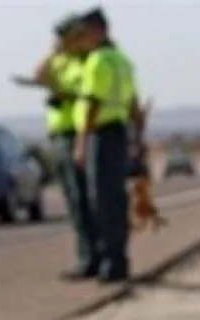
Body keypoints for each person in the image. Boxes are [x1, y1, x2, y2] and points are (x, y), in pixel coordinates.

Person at [72, 7, 146, 283]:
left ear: (97, 31)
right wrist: (138, 139)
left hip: (102, 134)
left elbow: (92, 103)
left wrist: (81, 143)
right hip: (119, 134)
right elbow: (134, 104)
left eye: (86, 33)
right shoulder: (122, 61)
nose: (84, 39)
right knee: (115, 198)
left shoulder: (98, 62)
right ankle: (119, 258)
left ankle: (111, 262)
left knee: (101, 200)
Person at [34, 14, 100, 281]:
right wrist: (53, 53)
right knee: (74, 201)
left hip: (78, 133)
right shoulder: (61, 60)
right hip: (59, 134)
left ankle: (92, 258)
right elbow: (39, 75)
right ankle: (87, 255)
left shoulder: (85, 62)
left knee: (85, 199)